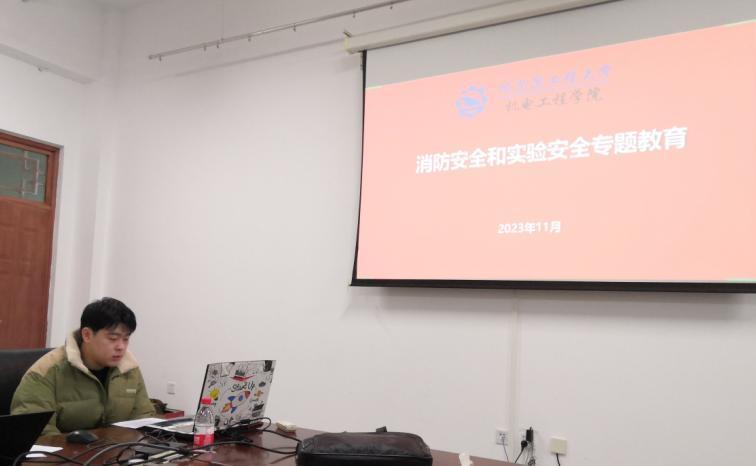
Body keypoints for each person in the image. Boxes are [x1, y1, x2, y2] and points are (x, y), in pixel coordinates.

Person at [11, 297, 156, 435]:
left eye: (126, 339)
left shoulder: (129, 369)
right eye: (113, 338)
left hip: (116, 450)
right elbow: (35, 432)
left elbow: (144, 418)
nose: (121, 347)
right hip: (67, 451)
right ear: (87, 335)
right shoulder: (45, 372)